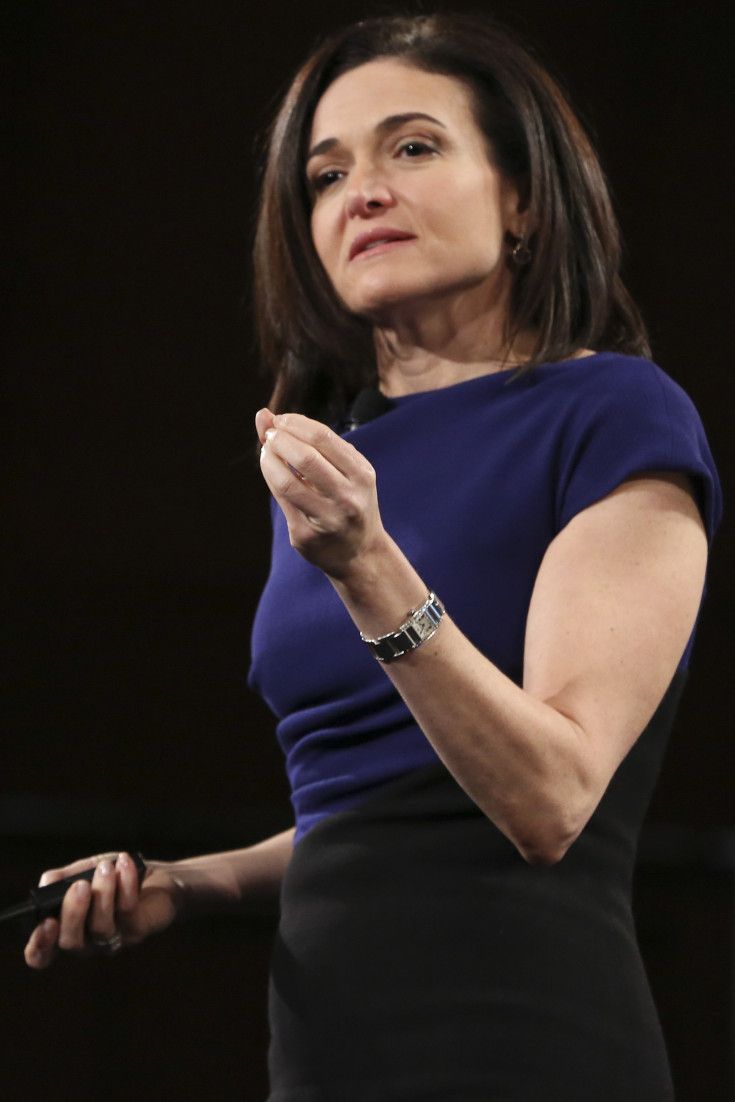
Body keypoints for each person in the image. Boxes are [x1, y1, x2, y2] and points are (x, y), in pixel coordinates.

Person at [24, 12, 722, 1101]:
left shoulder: (614, 415)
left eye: (413, 146)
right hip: (327, 1042)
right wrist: (185, 882)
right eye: (325, 171)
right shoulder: (332, 463)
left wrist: (369, 567)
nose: (362, 191)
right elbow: (374, 819)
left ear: (524, 196)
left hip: (524, 1034)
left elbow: (549, 797)